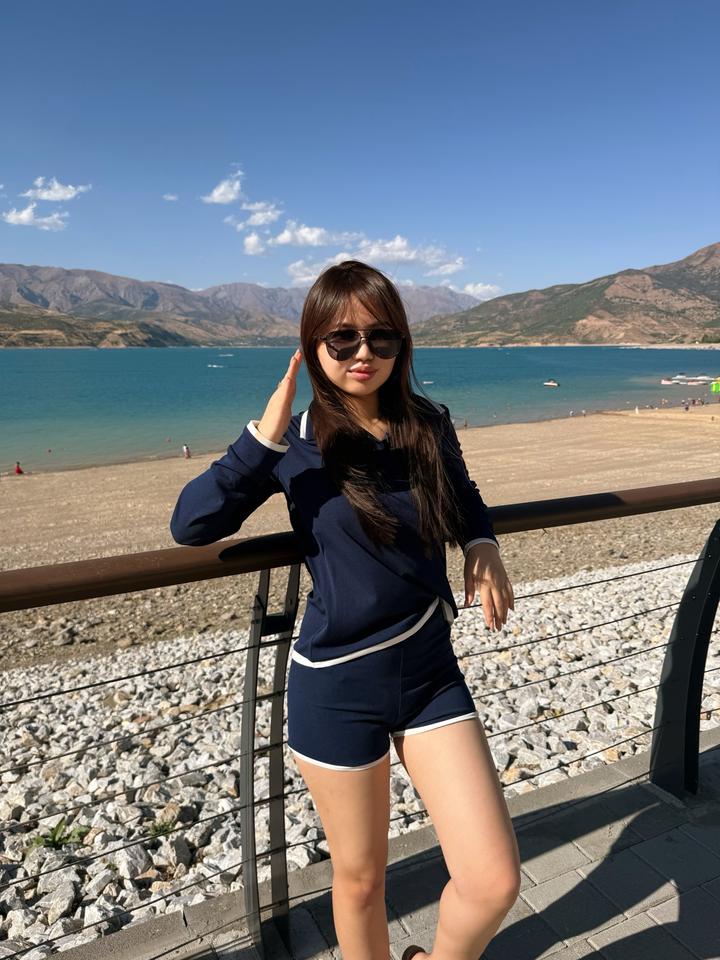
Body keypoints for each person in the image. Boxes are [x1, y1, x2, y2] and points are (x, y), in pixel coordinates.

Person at [170, 260, 519, 960]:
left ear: (401, 344)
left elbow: (463, 493)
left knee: (493, 882)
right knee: (360, 882)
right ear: (313, 345)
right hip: (336, 685)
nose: (364, 353)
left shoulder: (427, 423)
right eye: (343, 339)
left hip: (430, 674)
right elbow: (192, 525)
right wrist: (260, 438)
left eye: (381, 337)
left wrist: (481, 542)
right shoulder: (293, 444)